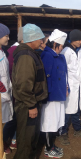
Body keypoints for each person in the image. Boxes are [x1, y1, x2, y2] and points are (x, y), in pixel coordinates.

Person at [12, 23, 48, 159]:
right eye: (39, 39)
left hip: (30, 103)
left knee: (31, 137)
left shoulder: (30, 54)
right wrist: (31, 105)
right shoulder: (26, 56)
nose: (41, 42)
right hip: (27, 105)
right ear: (31, 39)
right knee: (26, 141)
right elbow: (23, 84)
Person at [59, 29, 81, 146]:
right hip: (70, 85)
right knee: (67, 109)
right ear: (72, 40)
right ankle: (63, 132)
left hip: (78, 84)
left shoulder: (80, 51)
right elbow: (63, 70)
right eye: (78, 40)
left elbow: (79, 67)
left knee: (77, 108)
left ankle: (77, 129)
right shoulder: (66, 51)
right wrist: (65, 85)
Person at [40, 29, 68, 158]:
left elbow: (64, 75)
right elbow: (46, 77)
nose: (62, 48)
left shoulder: (59, 56)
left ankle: (52, 144)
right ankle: (47, 147)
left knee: (55, 122)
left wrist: (67, 87)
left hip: (59, 94)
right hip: (51, 96)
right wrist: (47, 94)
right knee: (49, 122)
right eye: (61, 46)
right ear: (55, 44)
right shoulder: (47, 56)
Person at [3, 27, 23, 153]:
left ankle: (13, 140)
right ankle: (5, 142)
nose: (8, 38)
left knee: (14, 117)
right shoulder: (13, 51)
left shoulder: (8, 51)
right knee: (11, 118)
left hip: (12, 90)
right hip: (10, 91)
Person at [0, 23, 13, 153]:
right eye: (6, 36)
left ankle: (3, 143)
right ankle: (2, 145)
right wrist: (3, 89)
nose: (8, 39)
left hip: (5, 92)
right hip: (1, 93)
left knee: (5, 121)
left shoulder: (2, 52)